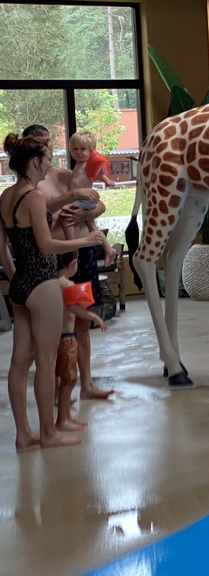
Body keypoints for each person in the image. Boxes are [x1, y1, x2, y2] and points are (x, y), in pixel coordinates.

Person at [0, 133, 105, 449]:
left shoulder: (7, 196)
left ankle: (24, 433)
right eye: (46, 160)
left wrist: (72, 194)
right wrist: (83, 241)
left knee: (19, 364)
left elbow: (4, 247)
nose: (49, 168)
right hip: (43, 281)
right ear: (35, 162)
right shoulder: (32, 197)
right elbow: (45, 244)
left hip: (20, 283)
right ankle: (48, 432)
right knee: (46, 361)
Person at [24, 125, 115, 400]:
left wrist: (81, 214)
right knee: (55, 324)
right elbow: (44, 209)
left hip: (80, 255)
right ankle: (55, 388)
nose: (48, 148)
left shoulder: (67, 174)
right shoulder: (29, 187)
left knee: (82, 322)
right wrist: (70, 198)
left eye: (49, 143)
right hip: (53, 257)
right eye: (42, 144)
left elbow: (97, 204)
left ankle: (86, 383)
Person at [55, 252, 108, 431]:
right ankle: (63, 419)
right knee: (69, 379)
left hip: (53, 338)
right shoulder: (68, 284)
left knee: (59, 377)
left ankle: (65, 416)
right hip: (67, 339)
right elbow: (73, 308)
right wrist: (93, 316)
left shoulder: (50, 284)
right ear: (74, 263)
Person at [65, 132, 119, 266]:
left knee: (67, 216)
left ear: (91, 151)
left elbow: (99, 174)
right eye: (75, 149)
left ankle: (72, 248)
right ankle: (108, 249)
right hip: (79, 200)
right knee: (93, 229)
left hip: (85, 200)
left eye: (83, 149)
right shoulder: (78, 165)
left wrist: (107, 181)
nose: (78, 152)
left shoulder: (87, 165)